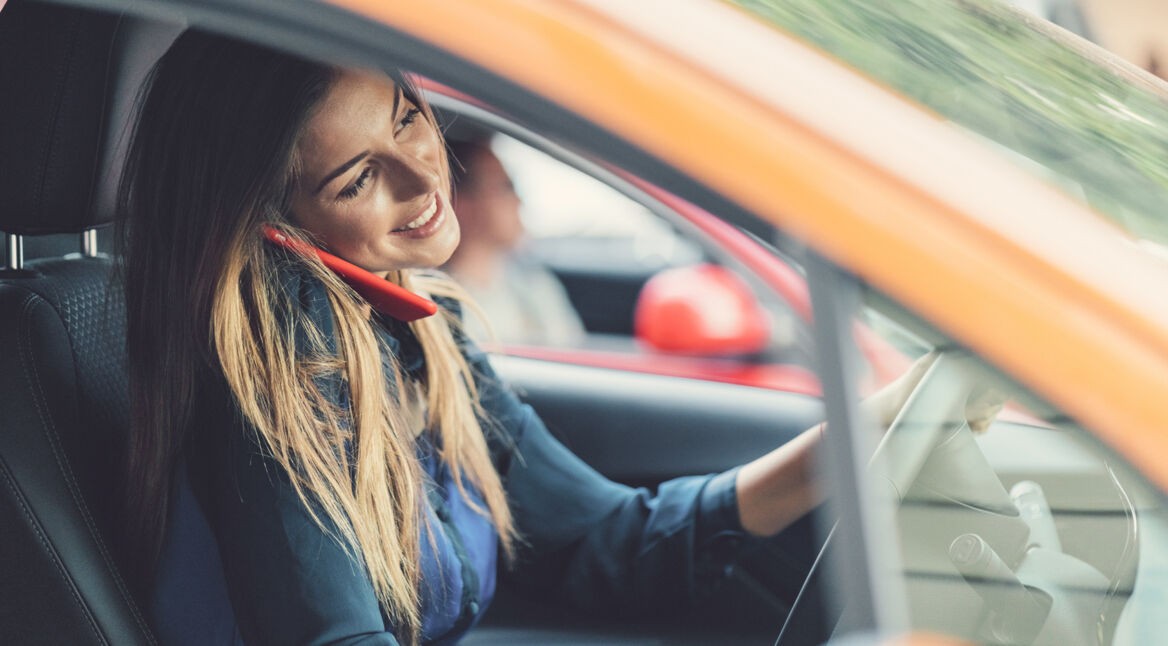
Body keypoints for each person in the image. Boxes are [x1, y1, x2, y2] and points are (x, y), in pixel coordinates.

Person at [117, 30, 948, 646]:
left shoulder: (415, 336)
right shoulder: (278, 378)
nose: (424, 177)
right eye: (360, 177)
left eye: (407, 121)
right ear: (273, 225)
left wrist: (858, 438)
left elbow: (603, 540)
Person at [444, 136, 585, 346]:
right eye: (506, 187)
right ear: (459, 202)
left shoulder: (535, 284)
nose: (519, 201)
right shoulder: (438, 301)